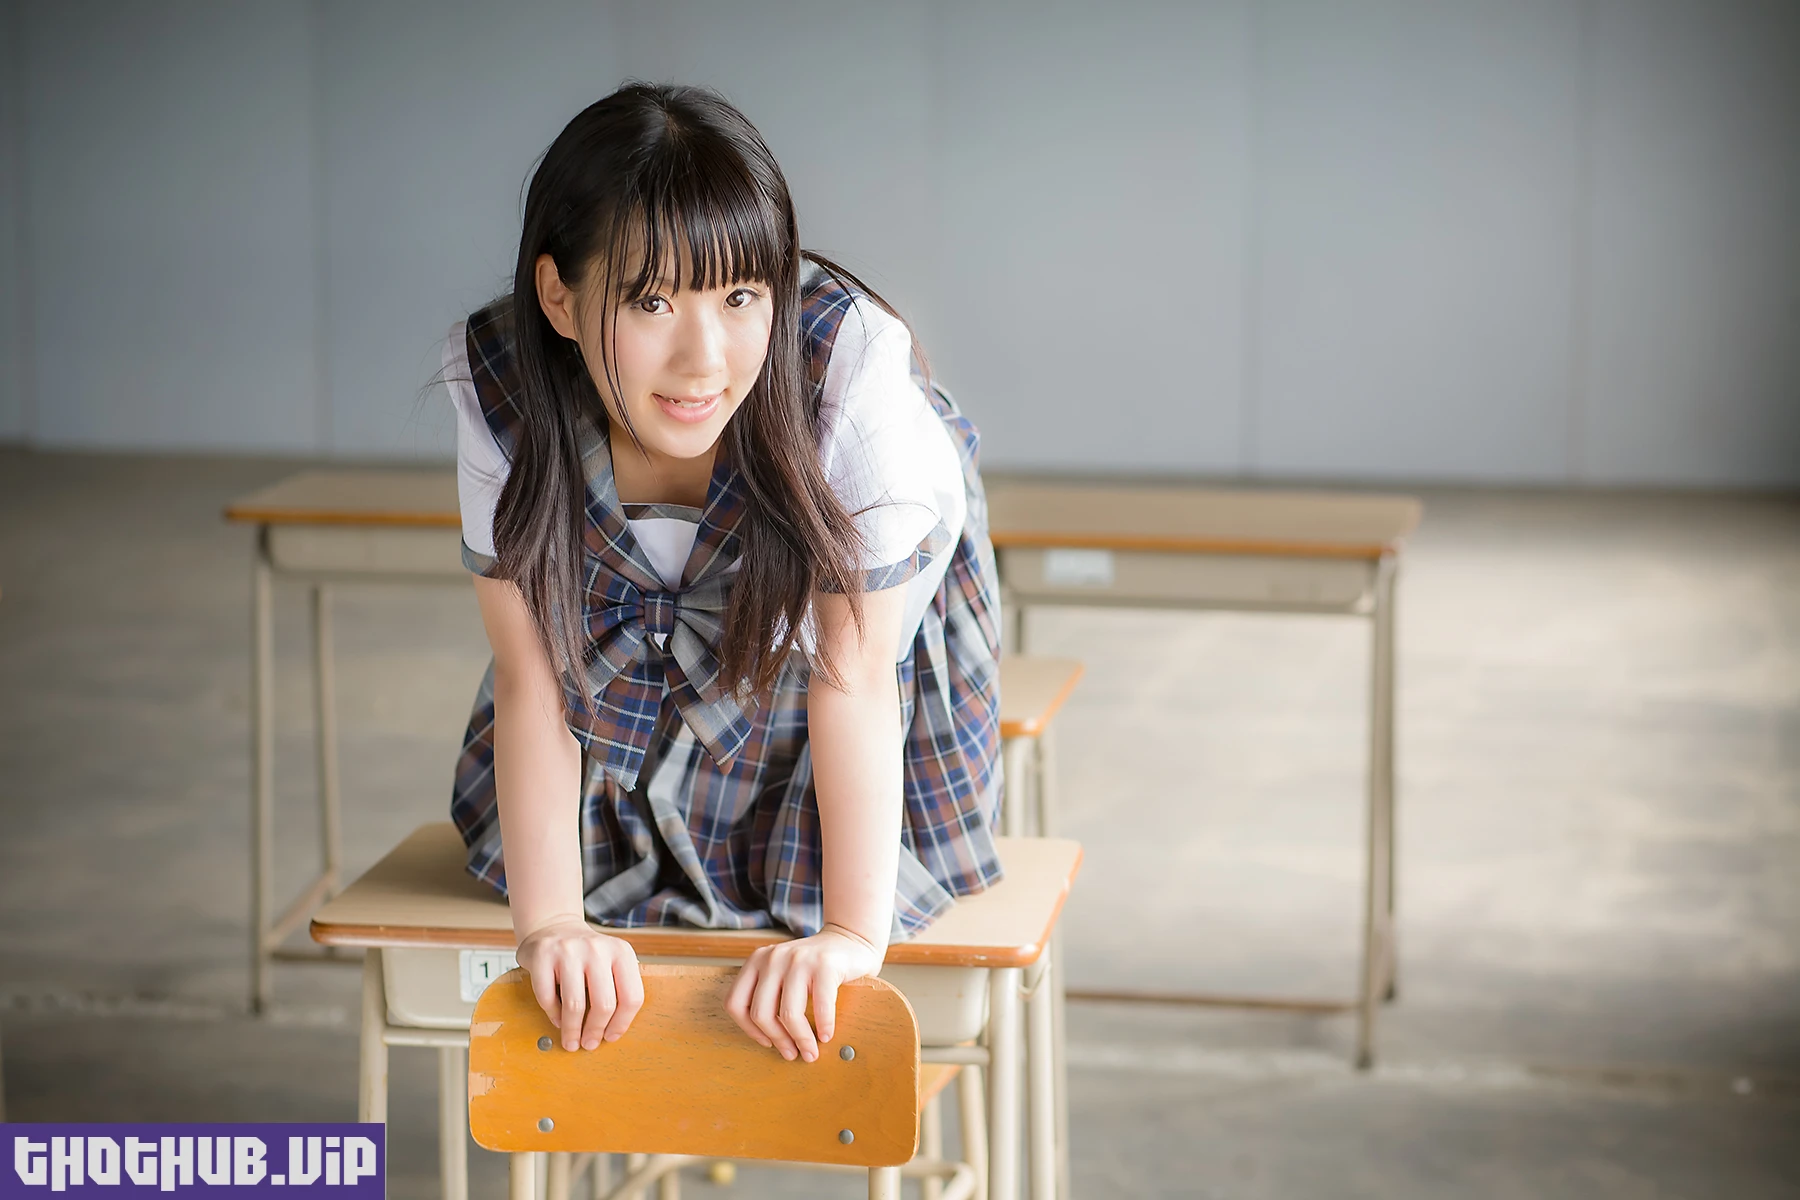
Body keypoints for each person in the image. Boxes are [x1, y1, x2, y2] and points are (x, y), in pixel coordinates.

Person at [442, 82, 1004, 1066]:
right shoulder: (500, 384)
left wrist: (849, 937)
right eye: (651, 301)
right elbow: (533, 677)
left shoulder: (848, 373)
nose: (704, 358)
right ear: (560, 297)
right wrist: (553, 927)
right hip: (635, 611)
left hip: (855, 618)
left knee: (813, 732)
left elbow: (855, 675)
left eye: (741, 296)